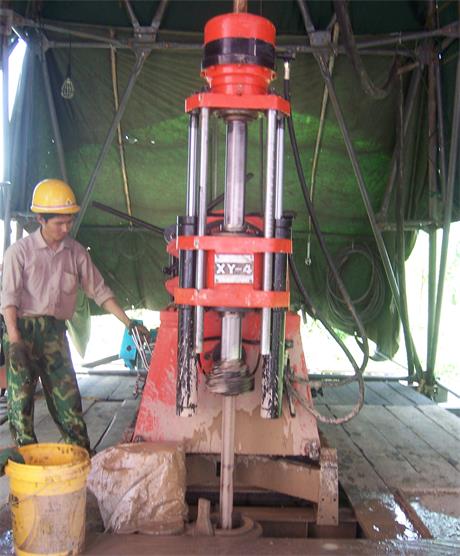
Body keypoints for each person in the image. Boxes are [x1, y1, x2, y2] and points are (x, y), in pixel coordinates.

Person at [0, 179, 149, 453]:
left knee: (68, 398)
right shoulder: (18, 253)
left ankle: (81, 455)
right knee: (21, 401)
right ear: (40, 219)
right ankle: (28, 459)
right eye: (60, 223)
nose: (66, 228)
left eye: (69, 221)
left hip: (54, 333)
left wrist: (129, 323)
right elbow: (8, 299)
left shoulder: (76, 253)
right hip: (21, 329)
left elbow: (100, 292)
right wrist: (15, 340)